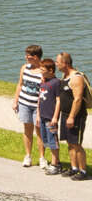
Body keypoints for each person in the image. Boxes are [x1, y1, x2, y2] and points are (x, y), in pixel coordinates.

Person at [58, 52, 89, 180]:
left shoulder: (76, 78)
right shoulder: (64, 76)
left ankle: (83, 171)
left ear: (65, 63)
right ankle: (74, 168)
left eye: (58, 62)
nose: (56, 64)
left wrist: (71, 116)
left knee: (76, 144)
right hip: (65, 114)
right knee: (69, 143)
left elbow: (77, 99)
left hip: (76, 117)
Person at [16, 44, 45, 167]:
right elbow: (20, 84)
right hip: (24, 103)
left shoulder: (43, 72)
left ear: (36, 57)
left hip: (37, 106)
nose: (26, 57)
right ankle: (28, 156)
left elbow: (44, 91)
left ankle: (42, 158)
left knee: (40, 132)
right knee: (27, 130)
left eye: (29, 55)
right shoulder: (25, 68)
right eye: (26, 55)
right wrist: (15, 99)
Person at [38, 58, 65, 175]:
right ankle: (56, 161)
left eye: (42, 69)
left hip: (50, 117)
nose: (40, 70)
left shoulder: (56, 83)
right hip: (43, 116)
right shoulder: (44, 82)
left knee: (53, 140)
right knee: (46, 140)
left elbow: (58, 100)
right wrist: (38, 115)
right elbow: (40, 99)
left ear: (50, 70)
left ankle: (55, 164)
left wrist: (55, 117)